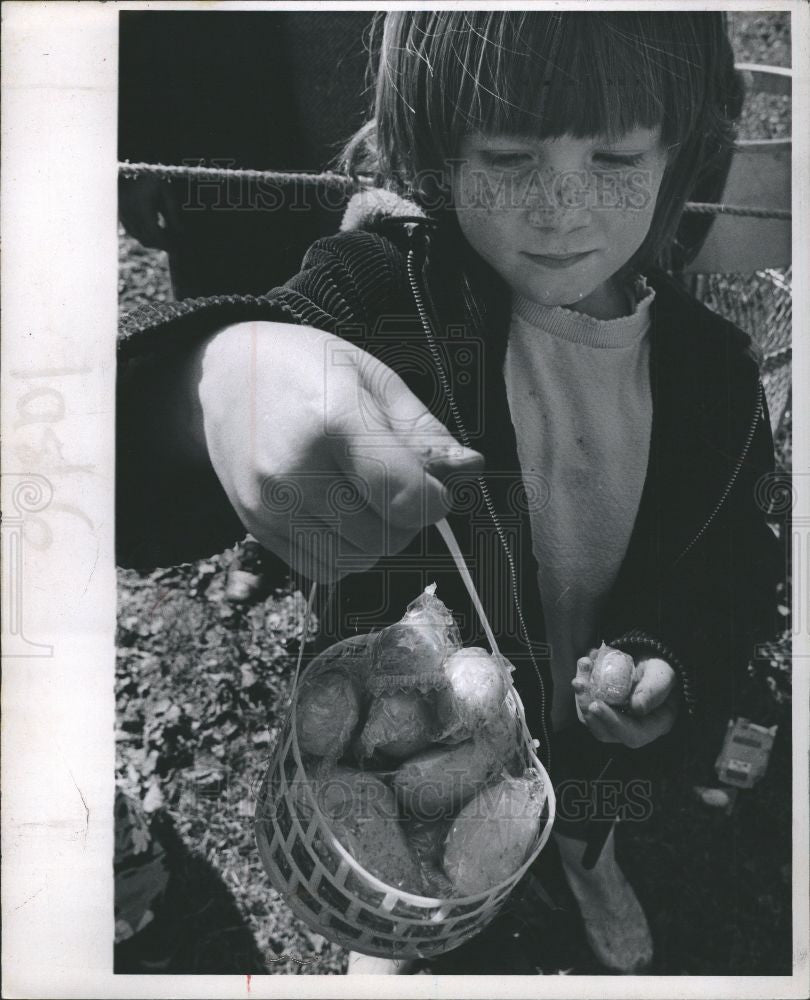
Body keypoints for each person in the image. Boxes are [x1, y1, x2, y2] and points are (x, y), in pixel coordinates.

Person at [117, 11, 783, 975]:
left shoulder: (715, 377)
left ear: (684, 148)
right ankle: (401, 904)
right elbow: (129, 472)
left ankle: (586, 858)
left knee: (587, 788)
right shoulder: (388, 294)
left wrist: (672, 660)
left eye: (615, 152)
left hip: (592, 711)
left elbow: (731, 568)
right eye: (508, 154)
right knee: (421, 806)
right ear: (437, 141)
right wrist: (211, 385)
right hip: (424, 703)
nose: (561, 206)